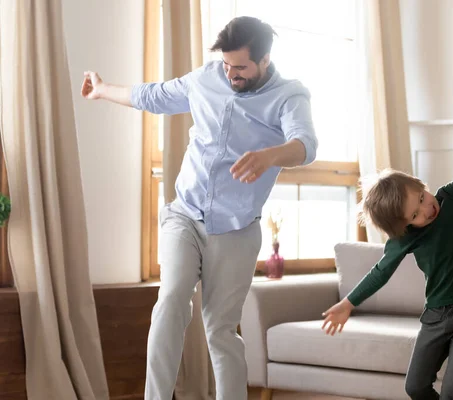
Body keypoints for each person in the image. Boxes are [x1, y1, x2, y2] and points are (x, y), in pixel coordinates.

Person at [81, 16, 317, 400]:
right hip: (185, 215)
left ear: (265, 60)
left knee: (221, 331)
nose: (231, 73)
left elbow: (305, 144)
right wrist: (104, 89)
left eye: (240, 67)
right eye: (226, 64)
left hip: (237, 229)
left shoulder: (289, 95)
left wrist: (271, 155)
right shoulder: (207, 78)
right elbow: (153, 96)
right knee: (171, 300)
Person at [321, 94, 453, 399]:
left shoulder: (452, 198)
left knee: (452, 392)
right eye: (415, 214)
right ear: (404, 225)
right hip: (436, 316)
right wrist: (348, 303)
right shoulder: (404, 239)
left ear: (420, 184)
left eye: (422, 197)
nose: (427, 209)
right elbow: (379, 273)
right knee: (415, 387)